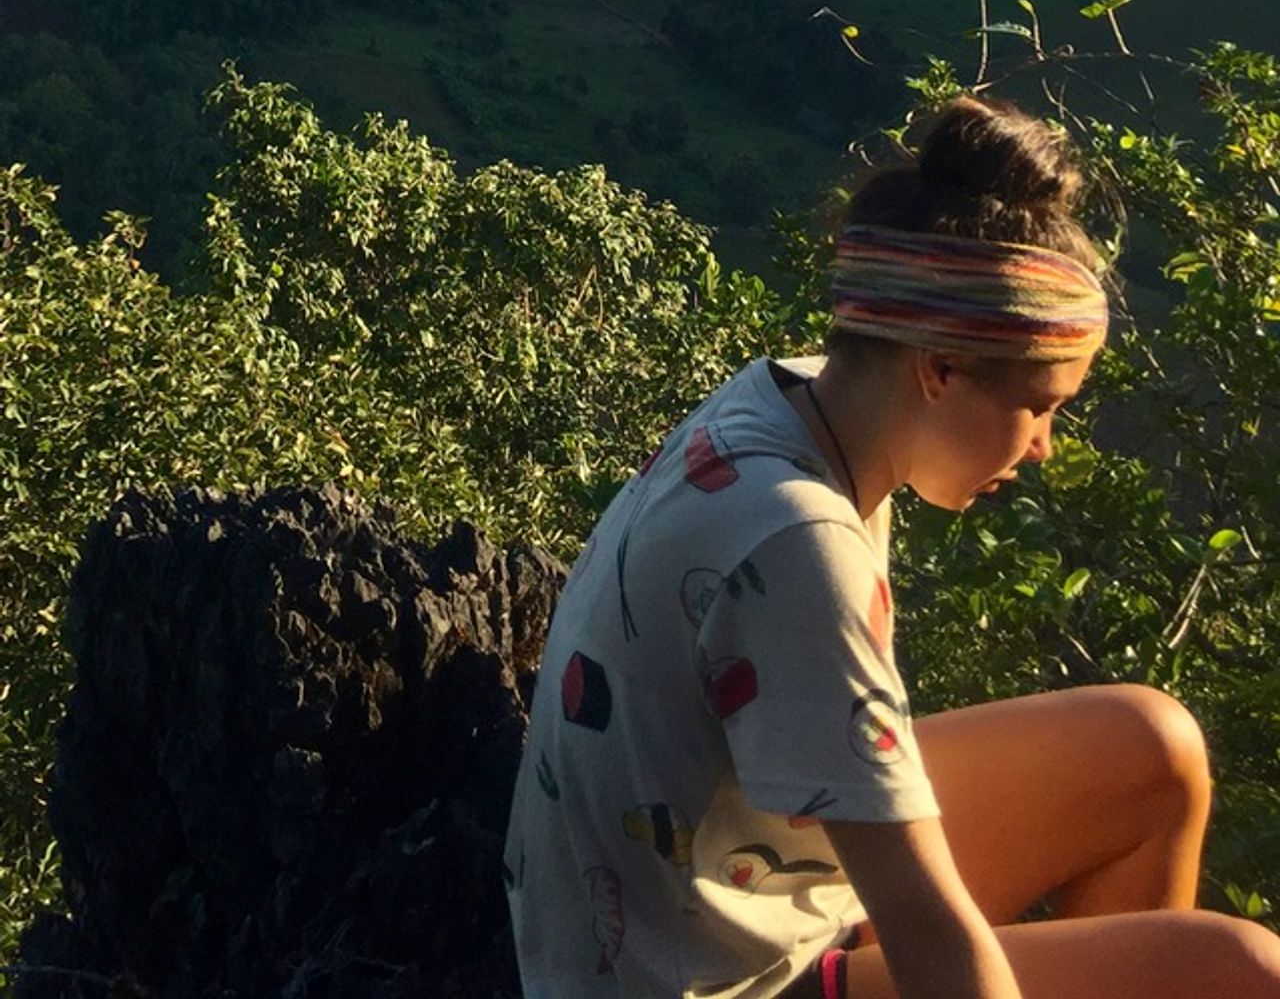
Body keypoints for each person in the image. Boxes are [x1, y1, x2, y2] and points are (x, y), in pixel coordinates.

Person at [504, 93, 1280, 999]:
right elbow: (937, 949)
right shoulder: (795, 542)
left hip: (707, 884)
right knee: (1237, 973)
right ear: (940, 367)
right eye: (1039, 408)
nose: (1042, 448)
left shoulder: (794, 402)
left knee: (1157, 748)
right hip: (709, 979)